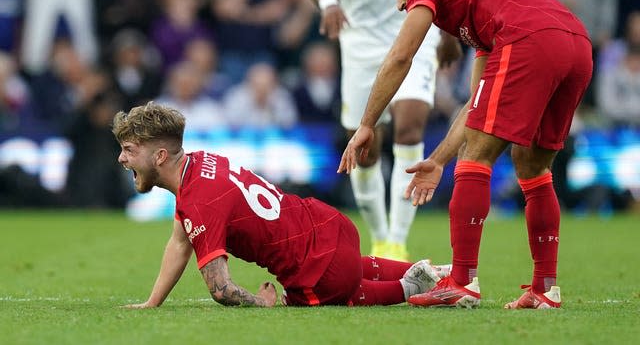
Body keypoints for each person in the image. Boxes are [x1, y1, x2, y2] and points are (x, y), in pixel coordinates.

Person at [338, 0, 592, 309]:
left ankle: (462, 281)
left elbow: (399, 57)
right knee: (532, 166)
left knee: (476, 155)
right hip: (576, 45)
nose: (399, 4)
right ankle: (545, 289)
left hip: (529, 39)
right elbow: (476, 106)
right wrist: (439, 160)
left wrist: (366, 124)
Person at [113, 102, 451, 308]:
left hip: (317, 271)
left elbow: (222, 290)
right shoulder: (202, 161)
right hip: (330, 226)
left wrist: (261, 302)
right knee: (350, 269)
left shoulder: (199, 201)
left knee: (335, 296)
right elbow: (178, 240)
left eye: (129, 150)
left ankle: (411, 287)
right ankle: (441, 274)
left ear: (159, 156)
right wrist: (152, 302)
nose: (122, 158)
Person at [306, 0, 461, 261]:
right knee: (365, 144)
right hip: (360, 41)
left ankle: (397, 242)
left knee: (410, 127)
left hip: (417, 30)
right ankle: (379, 236)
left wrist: (449, 31)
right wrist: (328, 1)